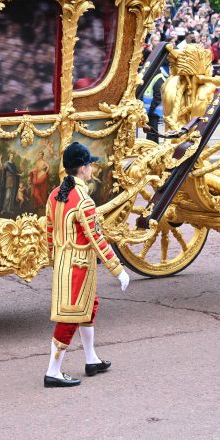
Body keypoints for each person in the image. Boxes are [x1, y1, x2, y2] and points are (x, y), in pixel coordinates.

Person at [44, 142, 130, 387]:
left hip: (65, 262)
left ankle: (91, 358)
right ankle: (53, 371)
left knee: (89, 307)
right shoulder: (83, 200)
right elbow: (97, 239)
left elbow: (49, 231)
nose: (92, 168)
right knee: (70, 317)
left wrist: (54, 258)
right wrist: (118, 269)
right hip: (79, 265)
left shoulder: (54, 193)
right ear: (82, 169)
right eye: (90, 164)